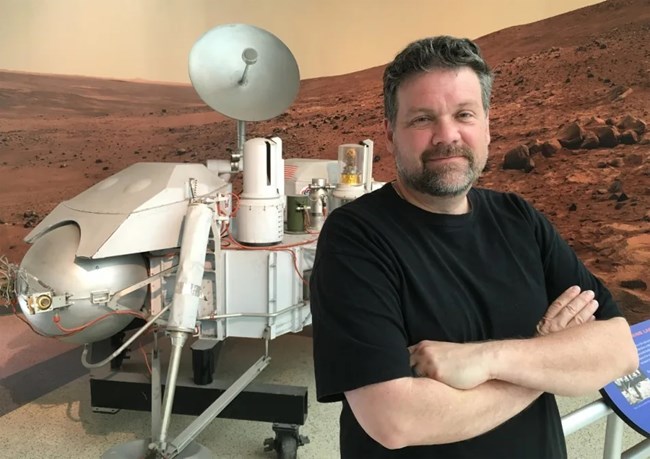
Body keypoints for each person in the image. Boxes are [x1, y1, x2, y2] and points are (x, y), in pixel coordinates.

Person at [309, 36, 638, 458]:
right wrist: (545, 358)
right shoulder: (355, 236)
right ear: (390, 134)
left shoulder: (520, 219)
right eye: (422, 119)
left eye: (463, 114)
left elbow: (617, 348)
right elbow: (396, 420)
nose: (447, 136)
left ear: (486, 125)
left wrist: (486, 359)